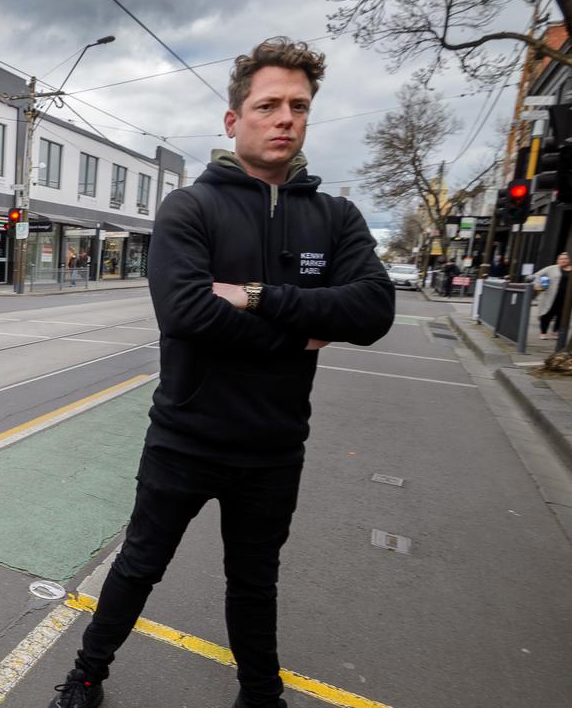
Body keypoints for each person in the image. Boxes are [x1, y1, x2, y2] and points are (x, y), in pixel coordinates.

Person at [47, 37, 394, 708]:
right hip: (185, 438)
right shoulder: (190, 208)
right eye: (268, 105)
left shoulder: (336, 217)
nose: (285, 118)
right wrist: (302, 336)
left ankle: (260, 696)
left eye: (299, 105)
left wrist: (258, 296)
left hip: (273, 447)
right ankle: (86, 676)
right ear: (234, 120)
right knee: (139, 566)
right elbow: (184, 314)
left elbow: (373, 310)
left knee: (254, 580)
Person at [533, 252, 571, 339]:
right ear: (558, 260)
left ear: (568, 260)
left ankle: (555, 332)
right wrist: (539, 285)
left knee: (562, 315)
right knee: (547, 313)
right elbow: (537, 275)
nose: (563, 260)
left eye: (565, 259)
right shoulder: (551, 268)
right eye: (561, 259)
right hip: (550, 296)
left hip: (566, 298)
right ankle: (543, 332)